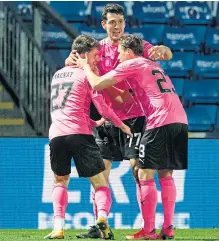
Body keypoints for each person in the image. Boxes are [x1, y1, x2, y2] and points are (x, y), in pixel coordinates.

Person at [66, 4, 173, 239]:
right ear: (103, 25)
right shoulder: (96, 48)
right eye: (112, 22)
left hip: (135, 118)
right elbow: (72, 63)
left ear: (125, 24)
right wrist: (70, 59)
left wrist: (163, 50)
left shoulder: (135, 46)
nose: (117, 26)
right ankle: (100, 224)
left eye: (120, 22)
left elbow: (163, 53)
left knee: (139, 171)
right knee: (100, 172)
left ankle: (148, 228)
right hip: (105, 119)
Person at [44, 35, 132, 240]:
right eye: (94, 55)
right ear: (82, 55)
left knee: (60, 181)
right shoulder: (86, 76)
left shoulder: (57, 74)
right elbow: (103, 107)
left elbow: (68, 107)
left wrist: (94, 122)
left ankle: (58, 228)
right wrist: (121, 125)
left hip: (56, 134)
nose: (98, 60)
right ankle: (102, 218)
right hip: (79, 135)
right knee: (100, 183)